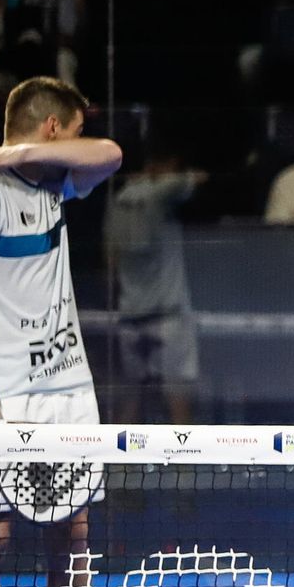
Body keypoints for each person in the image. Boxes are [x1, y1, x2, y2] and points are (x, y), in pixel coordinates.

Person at [0, 77, 122, 587]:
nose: (84, 139)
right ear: (55, 128)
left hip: (67, 396)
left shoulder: (54, 185)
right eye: (77, 126)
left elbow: (113, 154)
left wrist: (12, 154)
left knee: (72, 537)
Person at [104, 126, 203, 424]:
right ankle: (184, 468)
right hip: (168, 317)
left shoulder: (118, 198)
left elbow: (109, 260)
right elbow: (198, 179)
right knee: (178, 404)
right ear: (169, 162)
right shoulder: (166, 189)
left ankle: (120, 468)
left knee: (130, 399)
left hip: (129, 315)